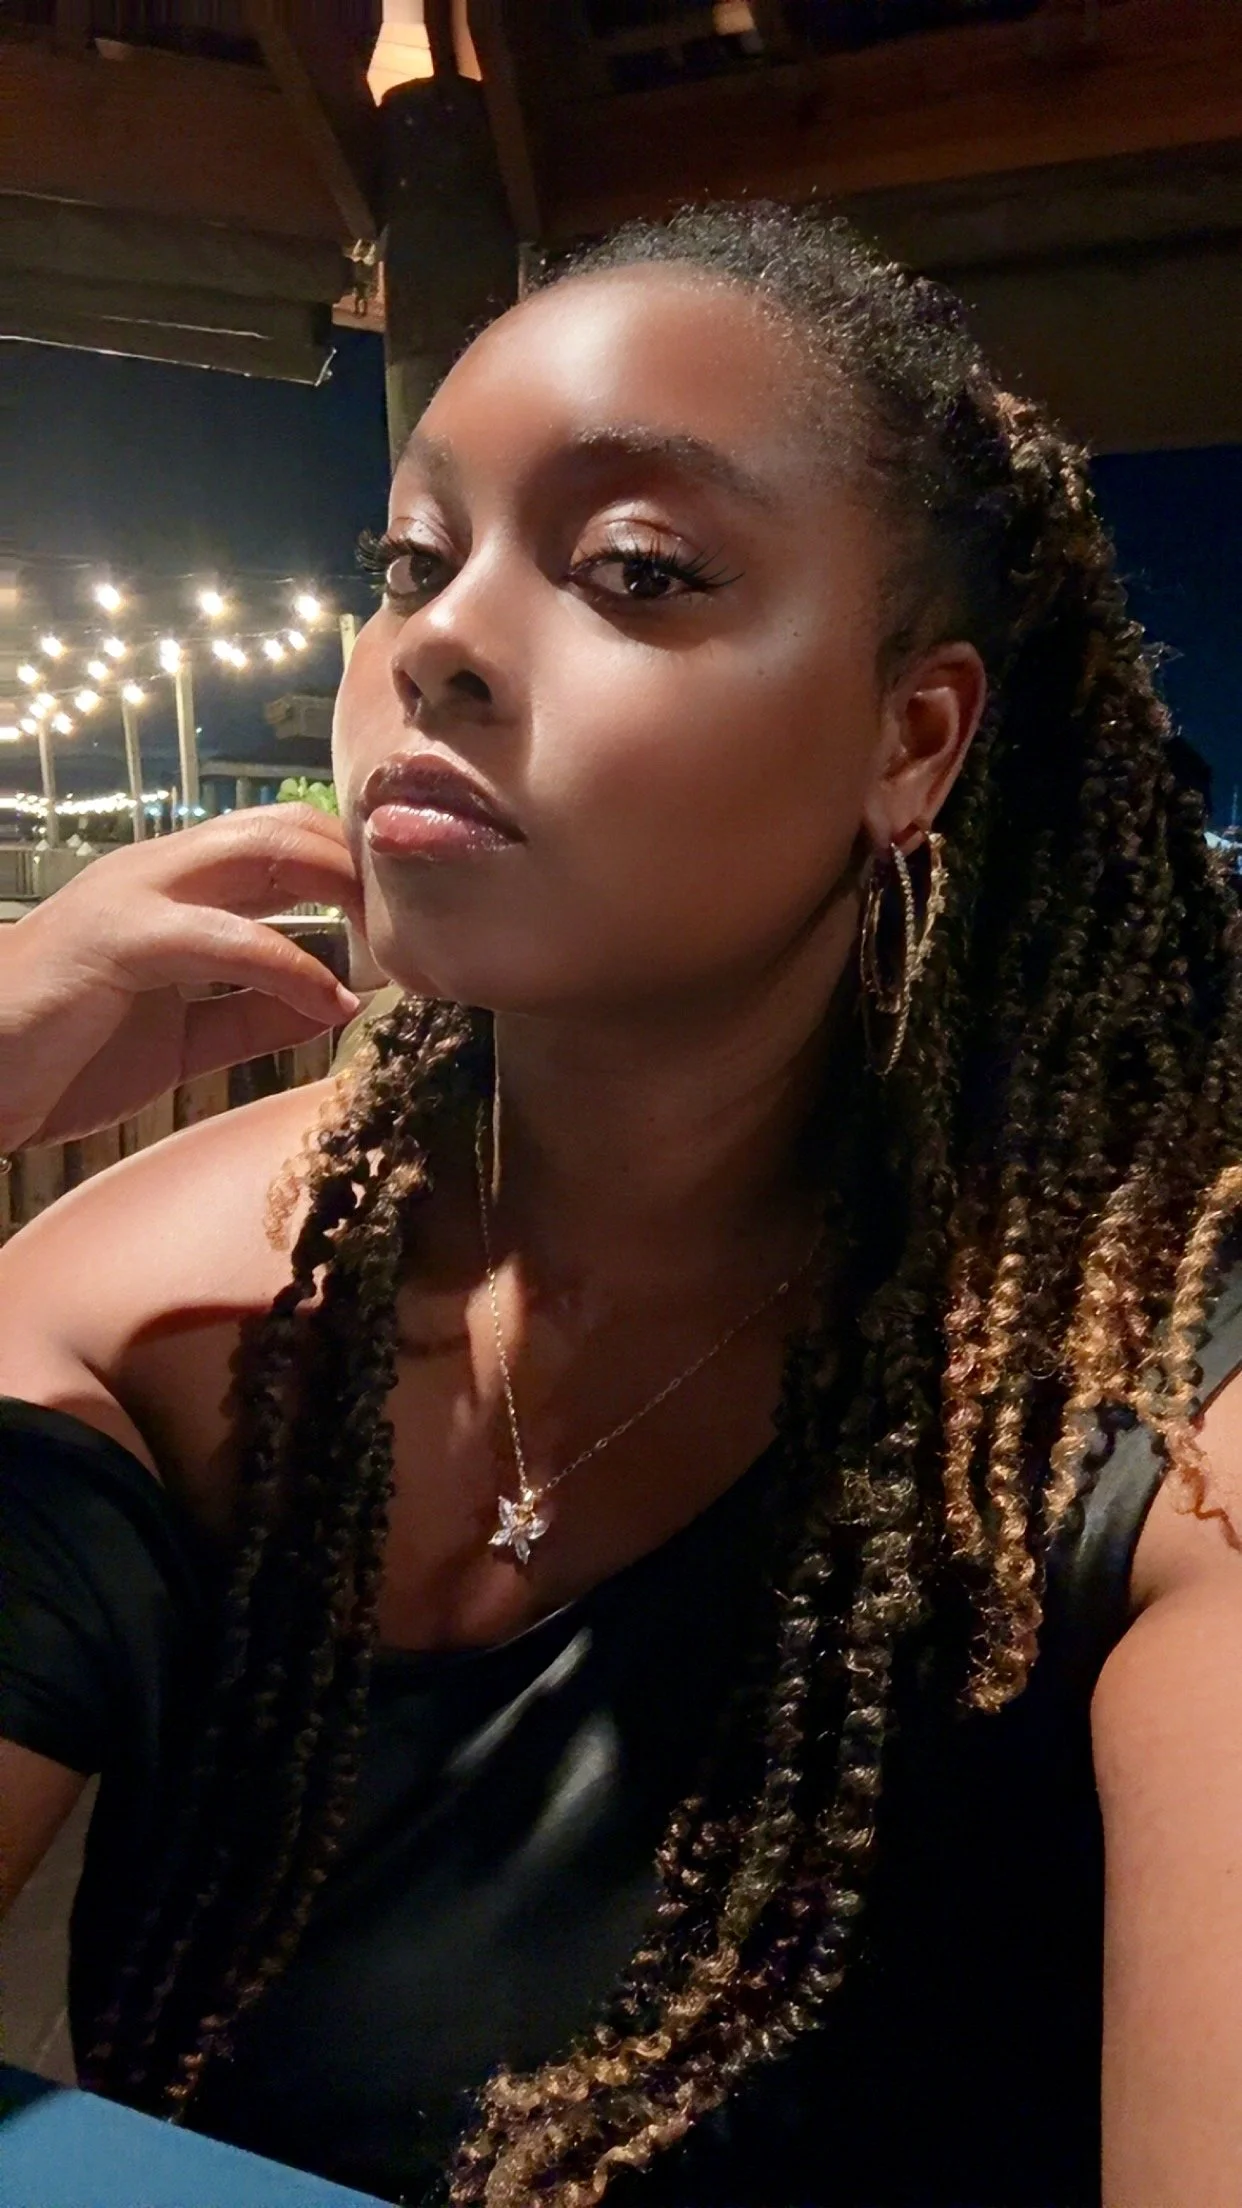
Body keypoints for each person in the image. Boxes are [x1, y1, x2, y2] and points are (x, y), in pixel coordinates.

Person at [2, 200, 1242, 2208]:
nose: (437, 644)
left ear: (906, 738)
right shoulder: (152, 1310)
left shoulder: (1155, 1426)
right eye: (409, 561)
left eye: (636, 569)